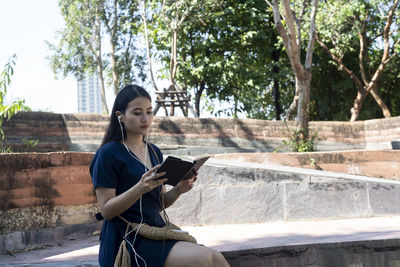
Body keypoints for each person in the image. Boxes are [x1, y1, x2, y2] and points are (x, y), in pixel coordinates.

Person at [90, 85, 229, 267]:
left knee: (216, 258)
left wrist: (179, 190)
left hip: (155, 231)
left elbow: (159, 203)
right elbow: (107, 210)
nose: (145, 118)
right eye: (137, 113)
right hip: (127, 238)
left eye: (149, 112)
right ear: (120, 116)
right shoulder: (108, 154)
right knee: (204, 259)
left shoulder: (154, 152)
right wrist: (139, 188)